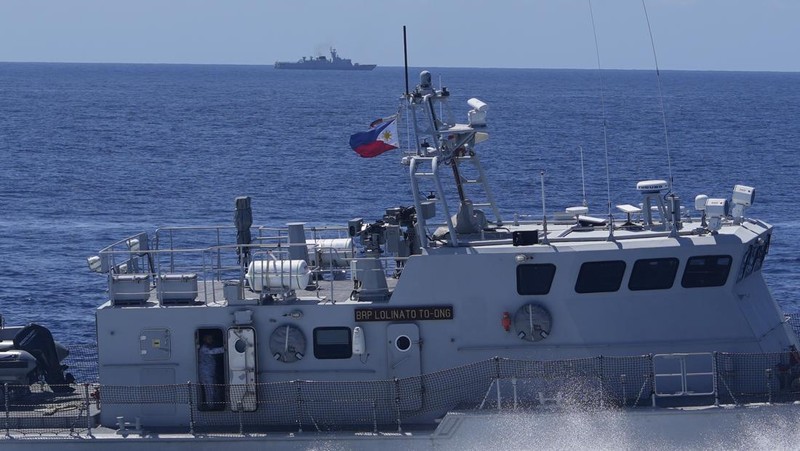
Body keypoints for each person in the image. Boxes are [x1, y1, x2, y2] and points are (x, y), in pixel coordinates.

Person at [199, 334, 225, 409]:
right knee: (209, 390)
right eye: (209, 338)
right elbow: (212, 352)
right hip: (205, 374)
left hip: (210, 373)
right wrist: (225, 348)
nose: (211, 340)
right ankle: (211, 406)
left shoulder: (207, 348)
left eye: (211, 338)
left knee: (214, 389)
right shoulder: (204, 349)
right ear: (205, 339)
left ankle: (215, 404)